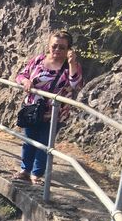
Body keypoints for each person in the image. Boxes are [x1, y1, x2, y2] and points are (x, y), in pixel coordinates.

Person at [13, 30, 84, 184]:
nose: (57, 50)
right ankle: (25, 171)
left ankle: (36, 175)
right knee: (29, 140)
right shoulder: (38, 60)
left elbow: (75, 84)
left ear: (69, 49)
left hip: (54, 113)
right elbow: (20, 75)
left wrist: (72, 63)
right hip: (32, 109)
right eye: (54, 46)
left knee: (44, 143)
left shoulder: (71, 66)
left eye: (62, 47)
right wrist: (25, 82)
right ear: (49, 46)